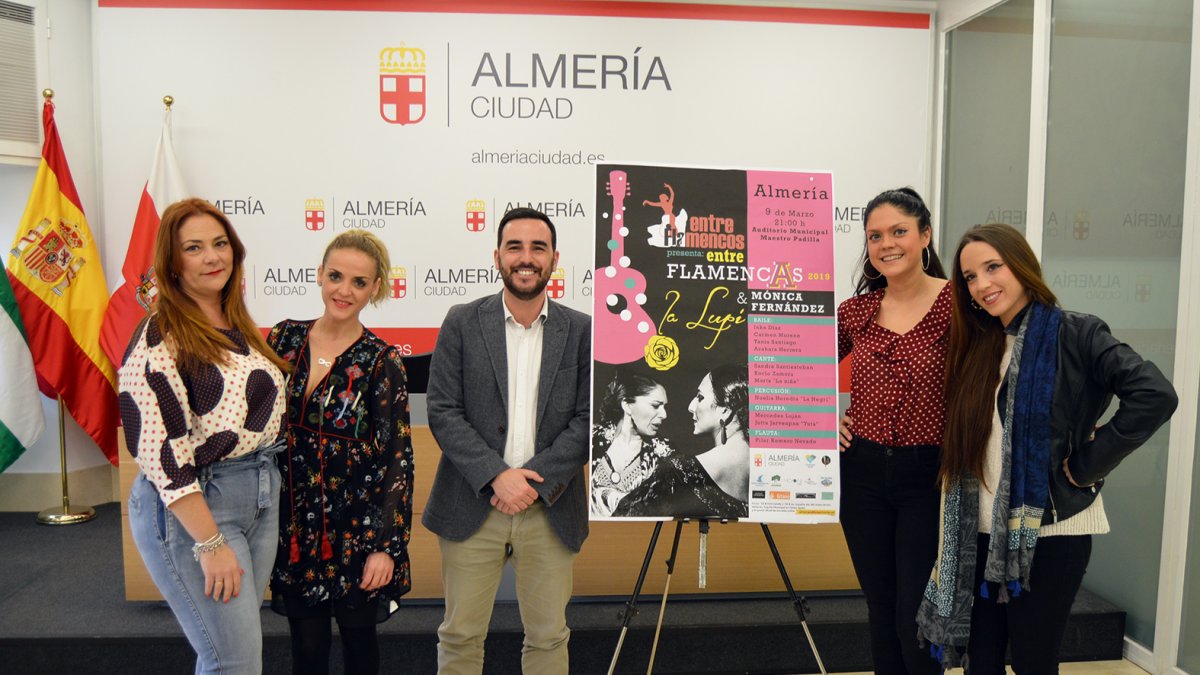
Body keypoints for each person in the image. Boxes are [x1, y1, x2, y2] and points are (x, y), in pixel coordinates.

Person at [917, 223, 1178, 672]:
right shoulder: (978, 344)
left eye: (992, 267)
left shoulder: (1077, 333)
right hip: (976, 531)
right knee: (981, 663)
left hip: (1052, 532)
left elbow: (1155, 394)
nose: (982, 284)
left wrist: (1087, 465)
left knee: (1035, 661)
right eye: (970, 277)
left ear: (1021, 265)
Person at [120, 197, 288, 674]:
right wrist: (210, 543)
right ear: (172, 264)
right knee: (233, 661)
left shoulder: (239, 325)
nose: (213, 256)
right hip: (196, 505)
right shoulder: (160, 334)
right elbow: (160, 451)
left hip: (257, 494)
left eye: (219, 244)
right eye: (194, 248)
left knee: (231, 653)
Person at [423, 207, 591, 675]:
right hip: (472, 504)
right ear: (497, 256)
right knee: (459, 638)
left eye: (538, 248)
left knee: (549, 639)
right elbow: (442, 411)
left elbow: (587, 419)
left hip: (551, 507)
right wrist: (497, 477)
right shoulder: (461, 321)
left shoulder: (582, 331)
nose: (526, 257)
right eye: (515, 247)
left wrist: (532, 483)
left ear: (555, 259)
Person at [267, 231, 413, 675]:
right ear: (319, 274)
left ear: (375, 290)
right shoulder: (283, 340)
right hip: (295, 530)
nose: (344, 291)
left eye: (359, 282)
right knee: (306, 653)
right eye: (336, 276)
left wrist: (386, 547)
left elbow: (396, 459)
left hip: (357, 533)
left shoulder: (381, 360)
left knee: (359, 650)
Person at [836, 188, 948, 675]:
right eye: (875, 236)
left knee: (914, 617)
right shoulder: (854, 312)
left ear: (924, 234)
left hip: (929, 477)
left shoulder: (960, 306)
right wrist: (824, 421)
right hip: (860, 475)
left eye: (898, 231)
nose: (886, 244)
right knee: (880, 609)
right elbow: (792, 374)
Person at [612, 366, 750, 519]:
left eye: (700, 397)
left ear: (725, 410)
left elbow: (622, 515)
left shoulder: (679, 471)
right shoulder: (762, 464)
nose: (691, 407)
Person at [590, 369, 672, 517]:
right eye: (655, 406)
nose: (664, 415)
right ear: (627, 405)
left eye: (665, 407)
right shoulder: (592, 438)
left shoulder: (665, 454)